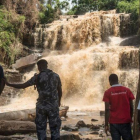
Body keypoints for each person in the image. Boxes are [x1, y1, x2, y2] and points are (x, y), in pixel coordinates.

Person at [5, 59, 62, 140]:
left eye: (38, 67)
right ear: (46, 65)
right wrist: (59, 101)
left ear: (40, 66)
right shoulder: (56, 76)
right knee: (55, 128)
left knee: (41, 129)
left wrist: (9, 84)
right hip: (53, 106)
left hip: (41, 107)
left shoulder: (37, 77)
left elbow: (23, 86)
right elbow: (59, 90)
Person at [103, 74, 134, 140]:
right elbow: (131, 107)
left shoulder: (107, 92)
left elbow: (107, 109)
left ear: (110, 81)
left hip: (114, 123)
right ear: (118, 80)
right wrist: (130, 119)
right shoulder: (127, 90)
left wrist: (106, 124)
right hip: (126, 121)